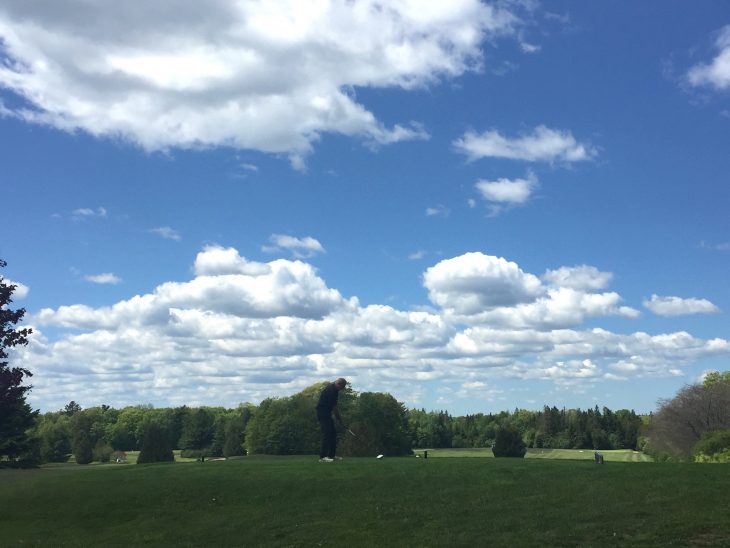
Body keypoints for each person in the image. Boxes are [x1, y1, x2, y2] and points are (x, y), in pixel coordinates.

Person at [316, 377, 347, 463]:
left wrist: (337, 418)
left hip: (327, 413)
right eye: (342, 387)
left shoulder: (335, 389)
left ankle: (331, 455)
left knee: (333, 433)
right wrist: (339, 418)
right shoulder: (331, 390)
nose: (342, 389)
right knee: (326, 434)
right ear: (339, 384)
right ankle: (322, 457)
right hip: (322, 413)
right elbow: (334, 407)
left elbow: (334, 406)